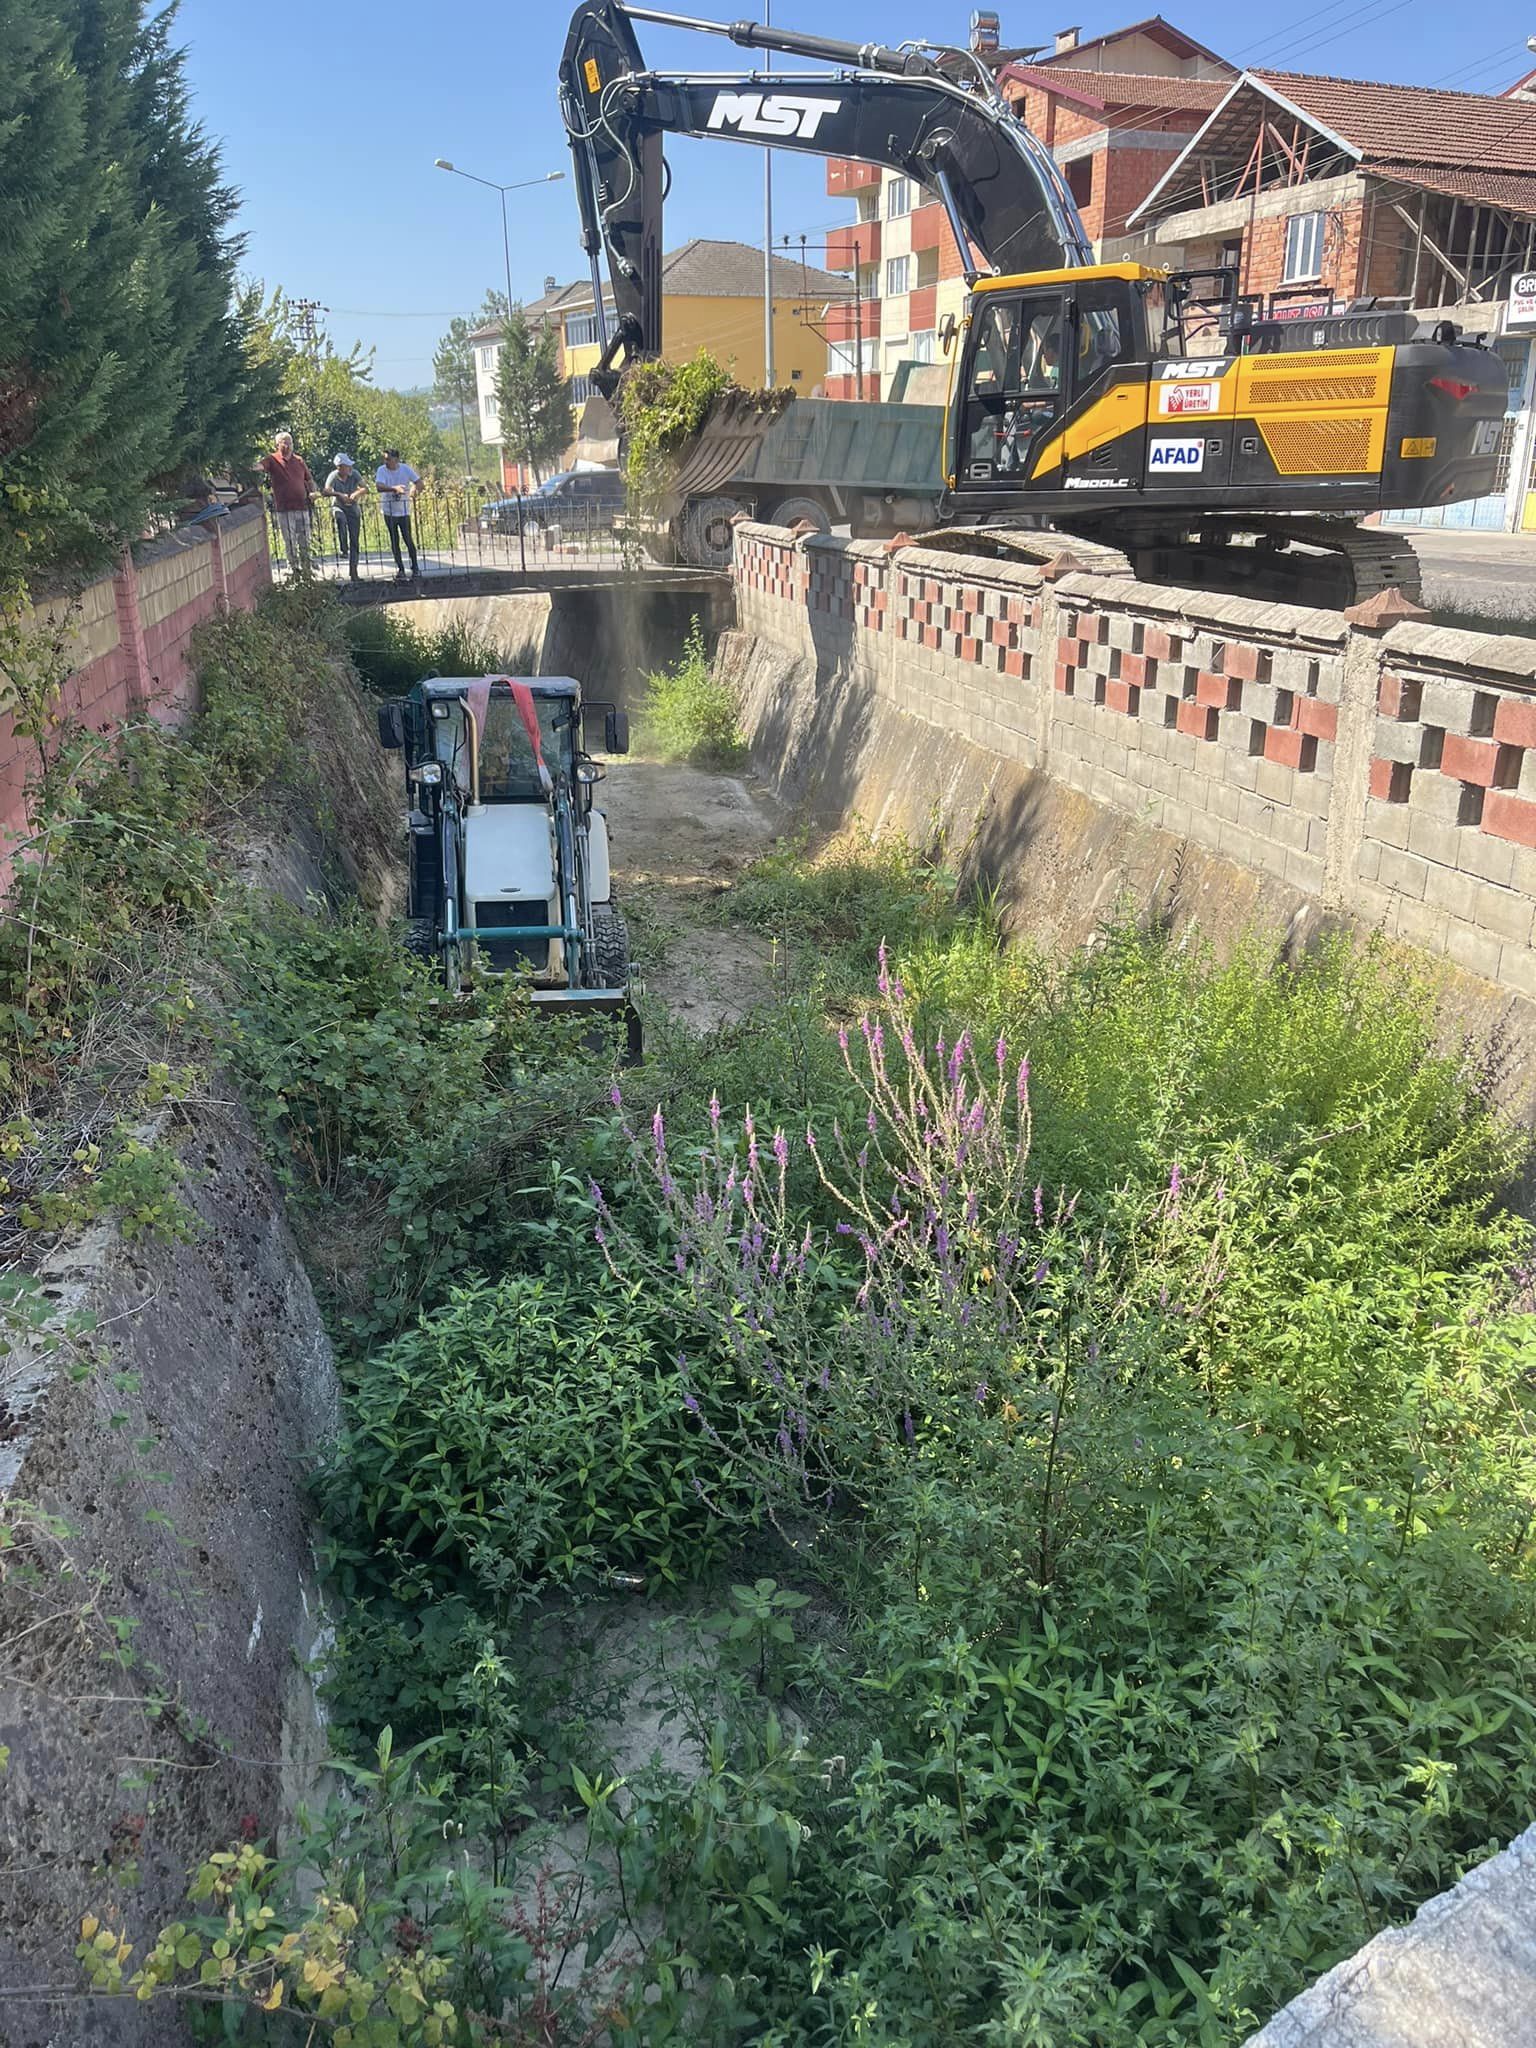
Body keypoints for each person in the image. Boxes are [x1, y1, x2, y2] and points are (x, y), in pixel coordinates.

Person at [258, 432, 317, 575]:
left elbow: (309, 479)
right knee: (289, 540)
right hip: (284, 509)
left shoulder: (299, 460)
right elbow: (260, 466)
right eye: (284, 442)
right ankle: (293, 568)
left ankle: (306, 567)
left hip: (302, 506)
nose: (288, 445)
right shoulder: (272, 459)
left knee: (305, 539)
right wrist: (251, 468)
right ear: (277, 444)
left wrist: (313, 492)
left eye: (290, 442)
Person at [375, 449, 421, 580]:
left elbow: (419, 482)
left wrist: (413, 489)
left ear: (396, 460)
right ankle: (400, 568)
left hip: (404, 510)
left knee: (408, 539)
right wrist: (394, 488)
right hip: (389, 510)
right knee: (394, 540)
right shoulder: (382, 470)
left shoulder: (405, 469)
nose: (386, 462)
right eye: (385, 459)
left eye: (388, 459)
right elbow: (379, 486)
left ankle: (415, 566)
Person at [323, 453, 368, 580]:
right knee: (340, 518)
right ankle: (343, 549)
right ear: (339, 467)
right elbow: (326, 491)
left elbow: (365, 488)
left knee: (355, 539)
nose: (350, 468)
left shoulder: (354, 474)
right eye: (347, 466)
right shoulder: (333, 476)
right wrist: (339, 495)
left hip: (352, 507)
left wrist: (356, 494)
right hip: (339, 506)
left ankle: (353, 571)